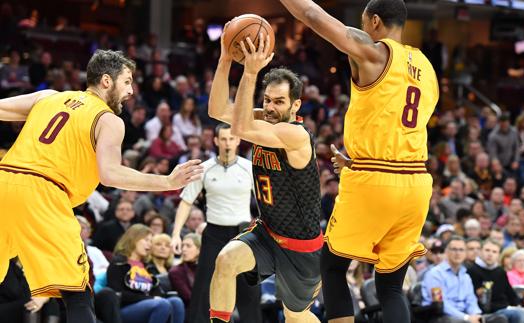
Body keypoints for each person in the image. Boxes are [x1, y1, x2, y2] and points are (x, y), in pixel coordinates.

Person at [0, 49, 203, 322]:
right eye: (127, 81)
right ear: (107, 81)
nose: (131, 91)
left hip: (5, 181)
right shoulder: (108, 119)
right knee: (78, 292)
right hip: (44, 192)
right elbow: (109, 174)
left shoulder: (49, 97)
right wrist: (167, 181)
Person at [277, 1, 439, 322]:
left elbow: (311, 14)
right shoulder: (426, 68)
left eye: (365, 24)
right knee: (391, 286)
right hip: (417, 182)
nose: (364, 30)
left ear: (375, 21)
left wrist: (367, 165)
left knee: (333, 267)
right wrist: (357, 161)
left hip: (376, 182)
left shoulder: (374, 52)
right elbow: (398, 127)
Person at [207, 28, 322, 323]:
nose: (270, 108)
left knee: (296, 317)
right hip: (269, 233)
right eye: (267, 100)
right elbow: (217, 109)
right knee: (225, 260)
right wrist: (224, 58)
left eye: (279, 102)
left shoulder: (294, 134)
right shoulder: (263, 119)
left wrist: (249, 72)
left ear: (296, 105)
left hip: (302, 247)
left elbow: (241, 128)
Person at [171, 122, 261, 323]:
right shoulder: (204, 168)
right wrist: (176, 233)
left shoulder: (250, 168)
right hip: (214, 233)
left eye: (231, 138)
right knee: (204, 288)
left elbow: (265, 203)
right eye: (223, 139)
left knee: (250, 290)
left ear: (238, 140)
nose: (228, 143)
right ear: (215, 141)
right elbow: (186, 202)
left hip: (244, 234)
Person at [107, 224, 185, 323]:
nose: (149, 245)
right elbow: (117, 294)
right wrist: (149, 298)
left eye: (150, 241)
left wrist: (155, 297)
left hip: (149, 303)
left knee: (176, 302)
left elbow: (156, 291)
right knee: (162, 304)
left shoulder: (148, 266)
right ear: (133, 239)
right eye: (146, 240)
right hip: (126, 308)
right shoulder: (119, 263)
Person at [422, 236, 507, 323]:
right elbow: (441, 305)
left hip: (465, 316)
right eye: (454, 249)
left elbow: (471, 300)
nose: (458, 253)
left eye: (461, 250)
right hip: (442, 316)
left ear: (465, 253)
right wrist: (466, 317)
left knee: (500, 319)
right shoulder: (435, 274)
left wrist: (476, 315)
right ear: (446, 251)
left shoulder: (465, 276)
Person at [169, 233, 201, 306]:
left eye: (188, 246)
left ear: (199, 249)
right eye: (183, 245)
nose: (184, 249)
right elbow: (189, 298)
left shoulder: (207, 269)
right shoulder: (176, 271)